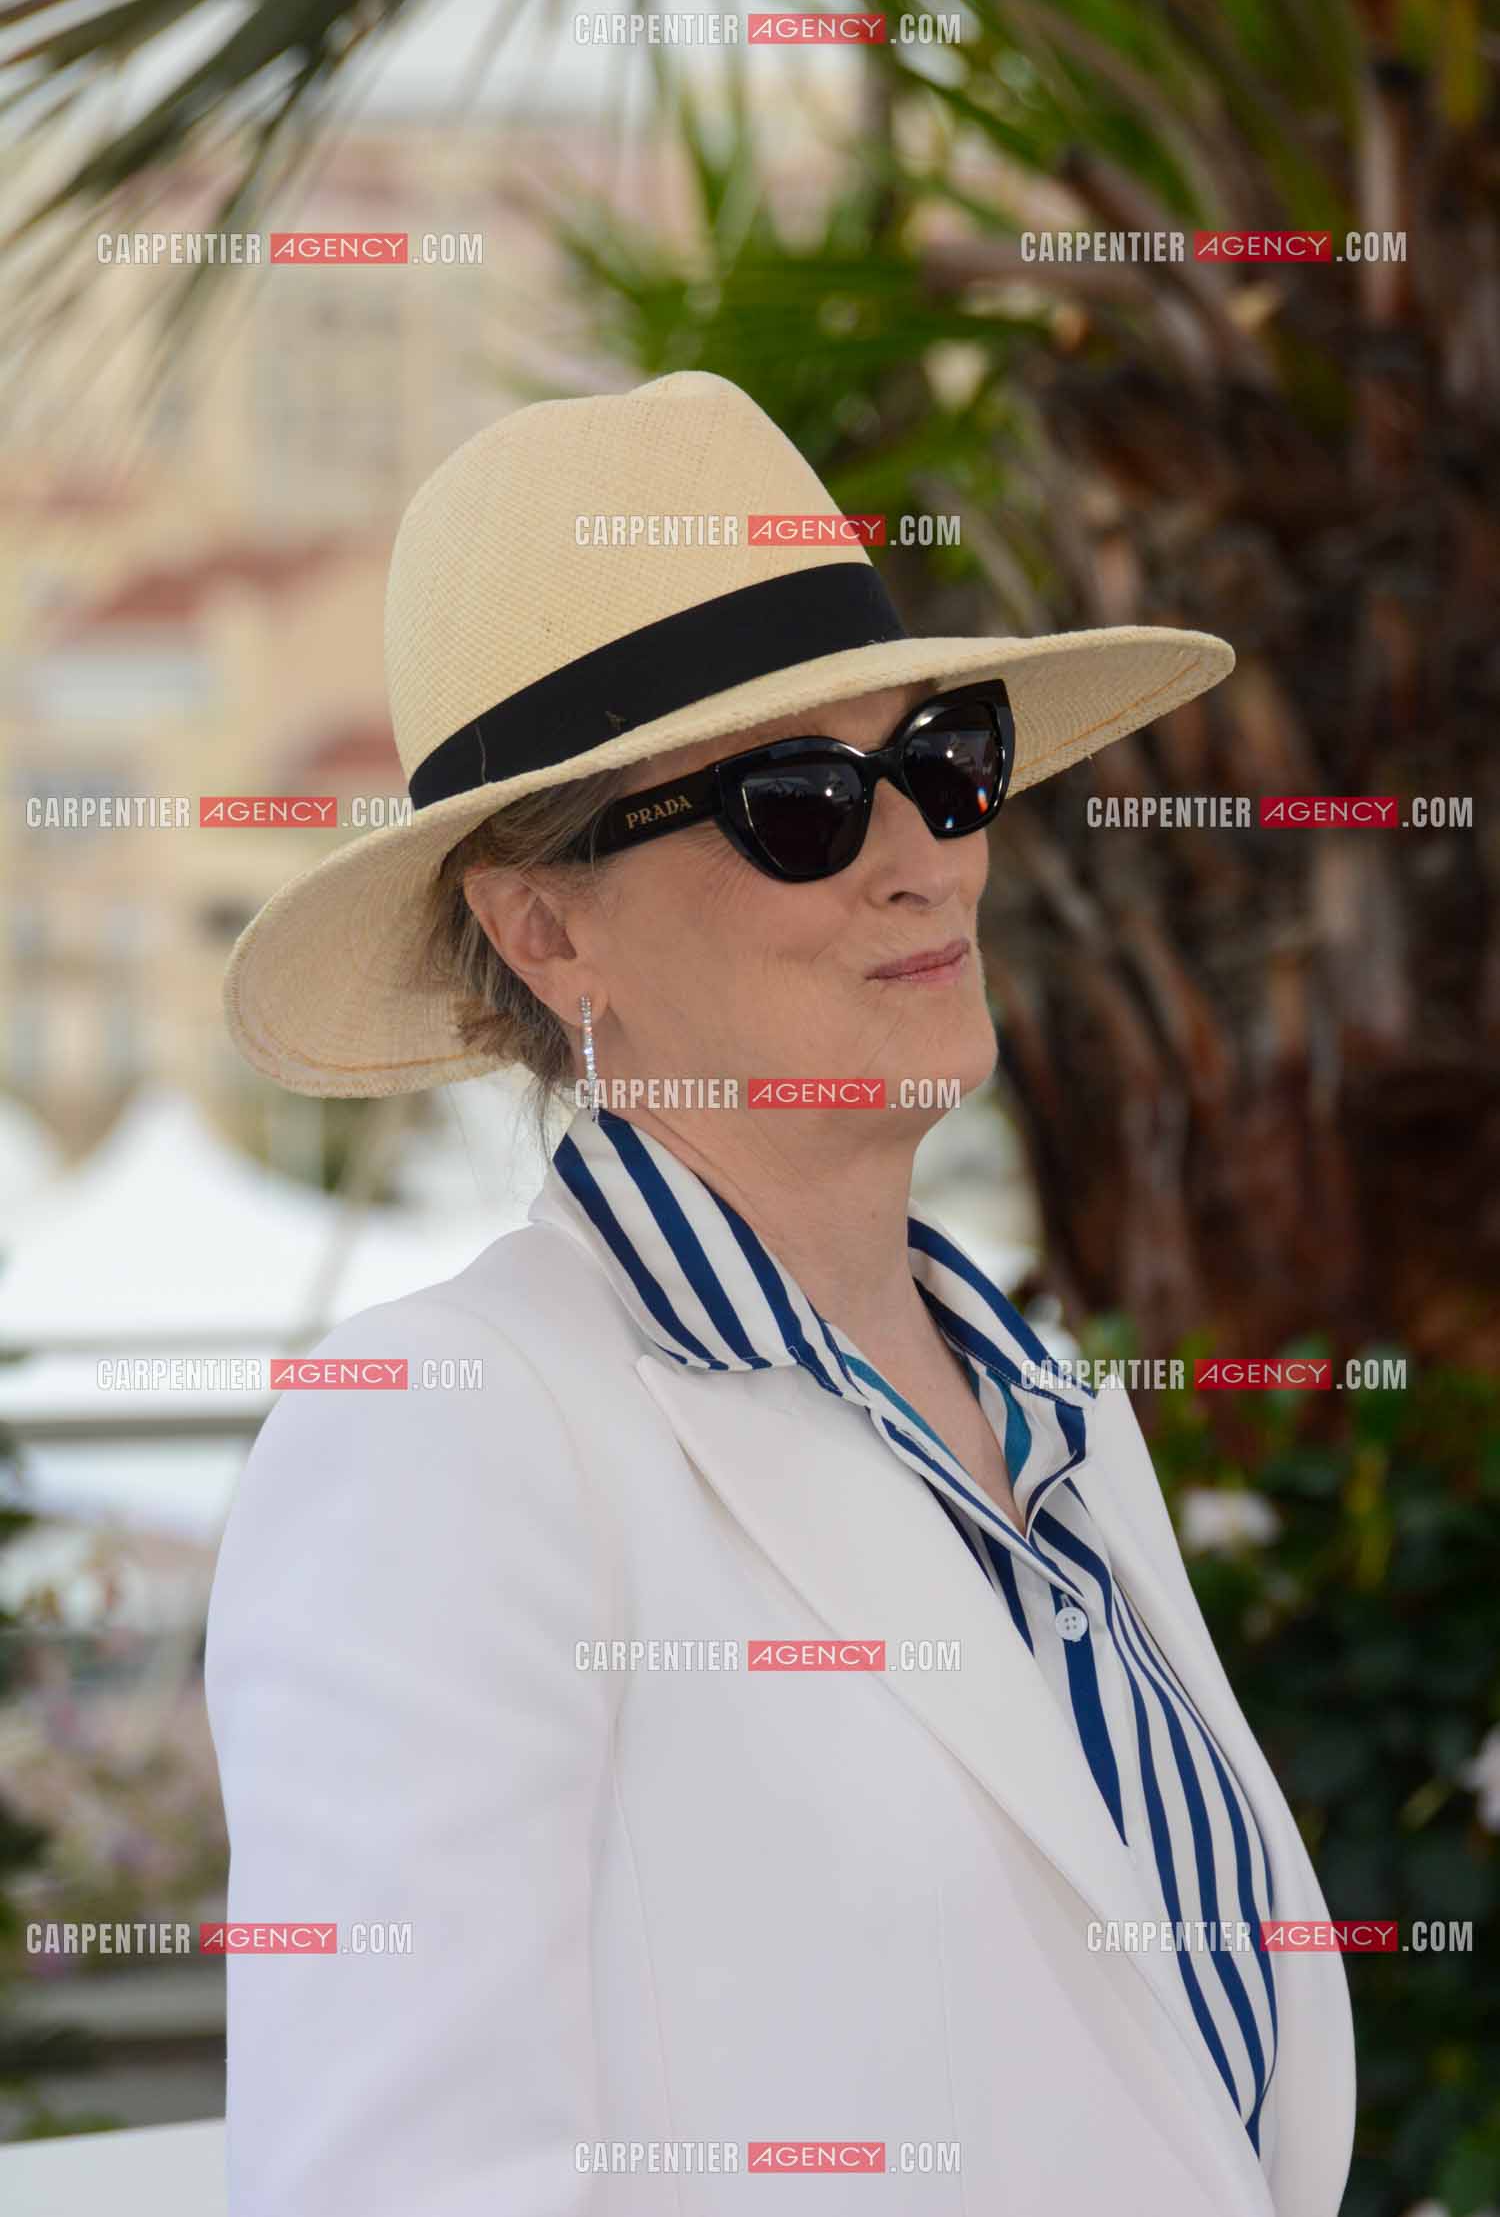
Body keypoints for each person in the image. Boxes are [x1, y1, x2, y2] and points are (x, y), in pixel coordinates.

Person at [204, 370, 1355, 2216]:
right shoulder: (446, 1441)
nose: (923, 852)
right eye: (801, 799)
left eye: (944, 755)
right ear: (545, 925)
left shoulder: (1051, 1411)